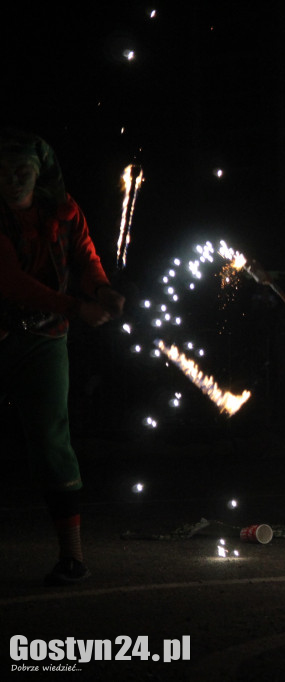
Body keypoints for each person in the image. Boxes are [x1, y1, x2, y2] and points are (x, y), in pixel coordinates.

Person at [0, 129, 125, 585]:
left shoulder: (65, 211)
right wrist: (75, 306)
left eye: (23, 172)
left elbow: (85, 256)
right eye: (4, 172)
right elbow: (10, 283)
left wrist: (103, 289)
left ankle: (72, 557)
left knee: (53, 441)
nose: (13, 181)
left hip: (43, 339)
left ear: (39, 173)